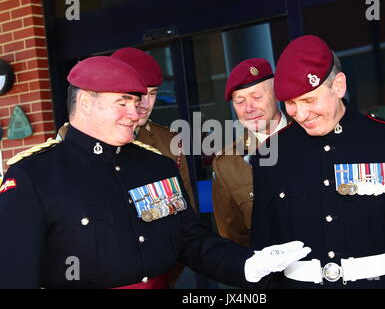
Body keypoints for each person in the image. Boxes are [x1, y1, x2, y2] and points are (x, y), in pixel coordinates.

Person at [0, 56, 311, 289]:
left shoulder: (156, 165)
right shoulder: (34, 175)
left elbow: (190, 241)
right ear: (84, 103)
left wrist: (248, 265)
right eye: (122, 103)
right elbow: (15, 276)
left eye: (136, 103)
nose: (135, 114)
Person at [250, 35, 385, 289]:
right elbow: (263, 250)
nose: (300, 114)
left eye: (309, 100)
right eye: (290, 103)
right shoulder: (270, 153)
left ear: (339, 86)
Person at [56, 47, 197, 288]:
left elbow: (184, 222)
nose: (142, 105)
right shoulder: (71, 140)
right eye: (129, 97)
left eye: (151, 93)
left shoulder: (170, 144)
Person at [212, 58, 290, 246]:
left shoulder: (311, 136)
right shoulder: (227, 163)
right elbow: (233, 237)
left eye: (257, 97)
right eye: (240, 101)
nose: (249, 108)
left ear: (276, 94)